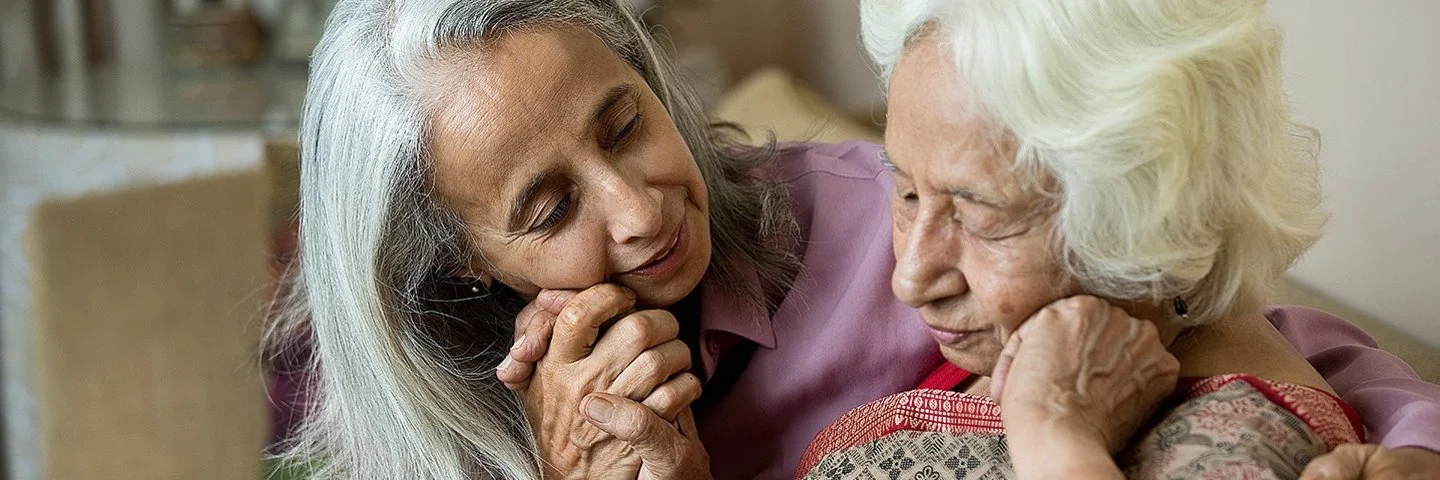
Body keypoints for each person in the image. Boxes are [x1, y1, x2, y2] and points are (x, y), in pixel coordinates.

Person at [270, 0, 1440, 478]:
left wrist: (1415, 448)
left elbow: (1238, 320)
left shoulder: (862, 207)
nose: (637, 209)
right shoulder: (457, 426)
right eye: (547, 209)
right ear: (463, 262)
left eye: (626, 123)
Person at [798, 0, 1407, 477]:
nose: (910, 279)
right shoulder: (1029, 335)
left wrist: (1055, 439)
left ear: (1153, 220)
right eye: (906, 193)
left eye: (980, 216)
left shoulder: (1244, 450)